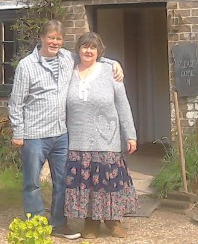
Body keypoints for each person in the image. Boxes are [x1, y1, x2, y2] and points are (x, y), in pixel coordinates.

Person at [8, 21, 123, 240]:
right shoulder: (27, 65)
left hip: (61, 134)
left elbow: (90, 56)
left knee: (63, 182)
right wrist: (18, 132)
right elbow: (16, 102)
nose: (54, 42)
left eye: (58, 39)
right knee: (32, 182)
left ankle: (60, 224)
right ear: (42, 38)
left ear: (62, 41)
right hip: (34, 134)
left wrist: (114, 63)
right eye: (51, 37)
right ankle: (37, 225)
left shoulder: (66, 58)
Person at [63, 31, 138, 239]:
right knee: (86, 185)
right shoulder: (69, 70)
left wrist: (130, 134)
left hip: (107, 138)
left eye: (93, 47)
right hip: (78, 140)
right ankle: (91, 222)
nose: (88, 51)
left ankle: (114, 221)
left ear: (99, 51)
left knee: (107, 183)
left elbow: (123, 104)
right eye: (85, 47)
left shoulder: (110, 71)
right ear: (78, 49)